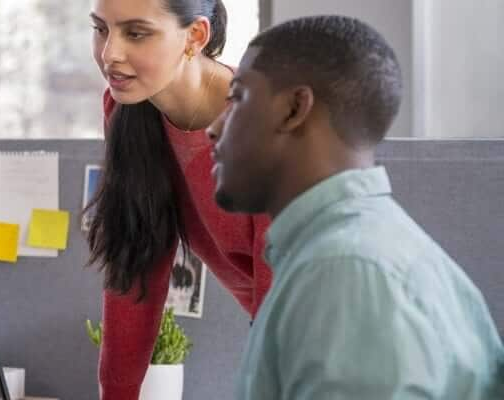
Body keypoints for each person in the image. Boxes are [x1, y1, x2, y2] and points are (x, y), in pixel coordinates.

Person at [209, 14, 504, 399]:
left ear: (295, 108)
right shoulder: (357, 252)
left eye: (237, 97)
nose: (215, 126)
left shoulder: (344, 272)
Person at [85, 0, 272, 398]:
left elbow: (288, 309)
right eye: (101, 29)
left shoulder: (262, 124)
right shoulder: (127, 112)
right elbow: (136, 264)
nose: (109, 54)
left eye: (136, 33)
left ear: (195, 36)